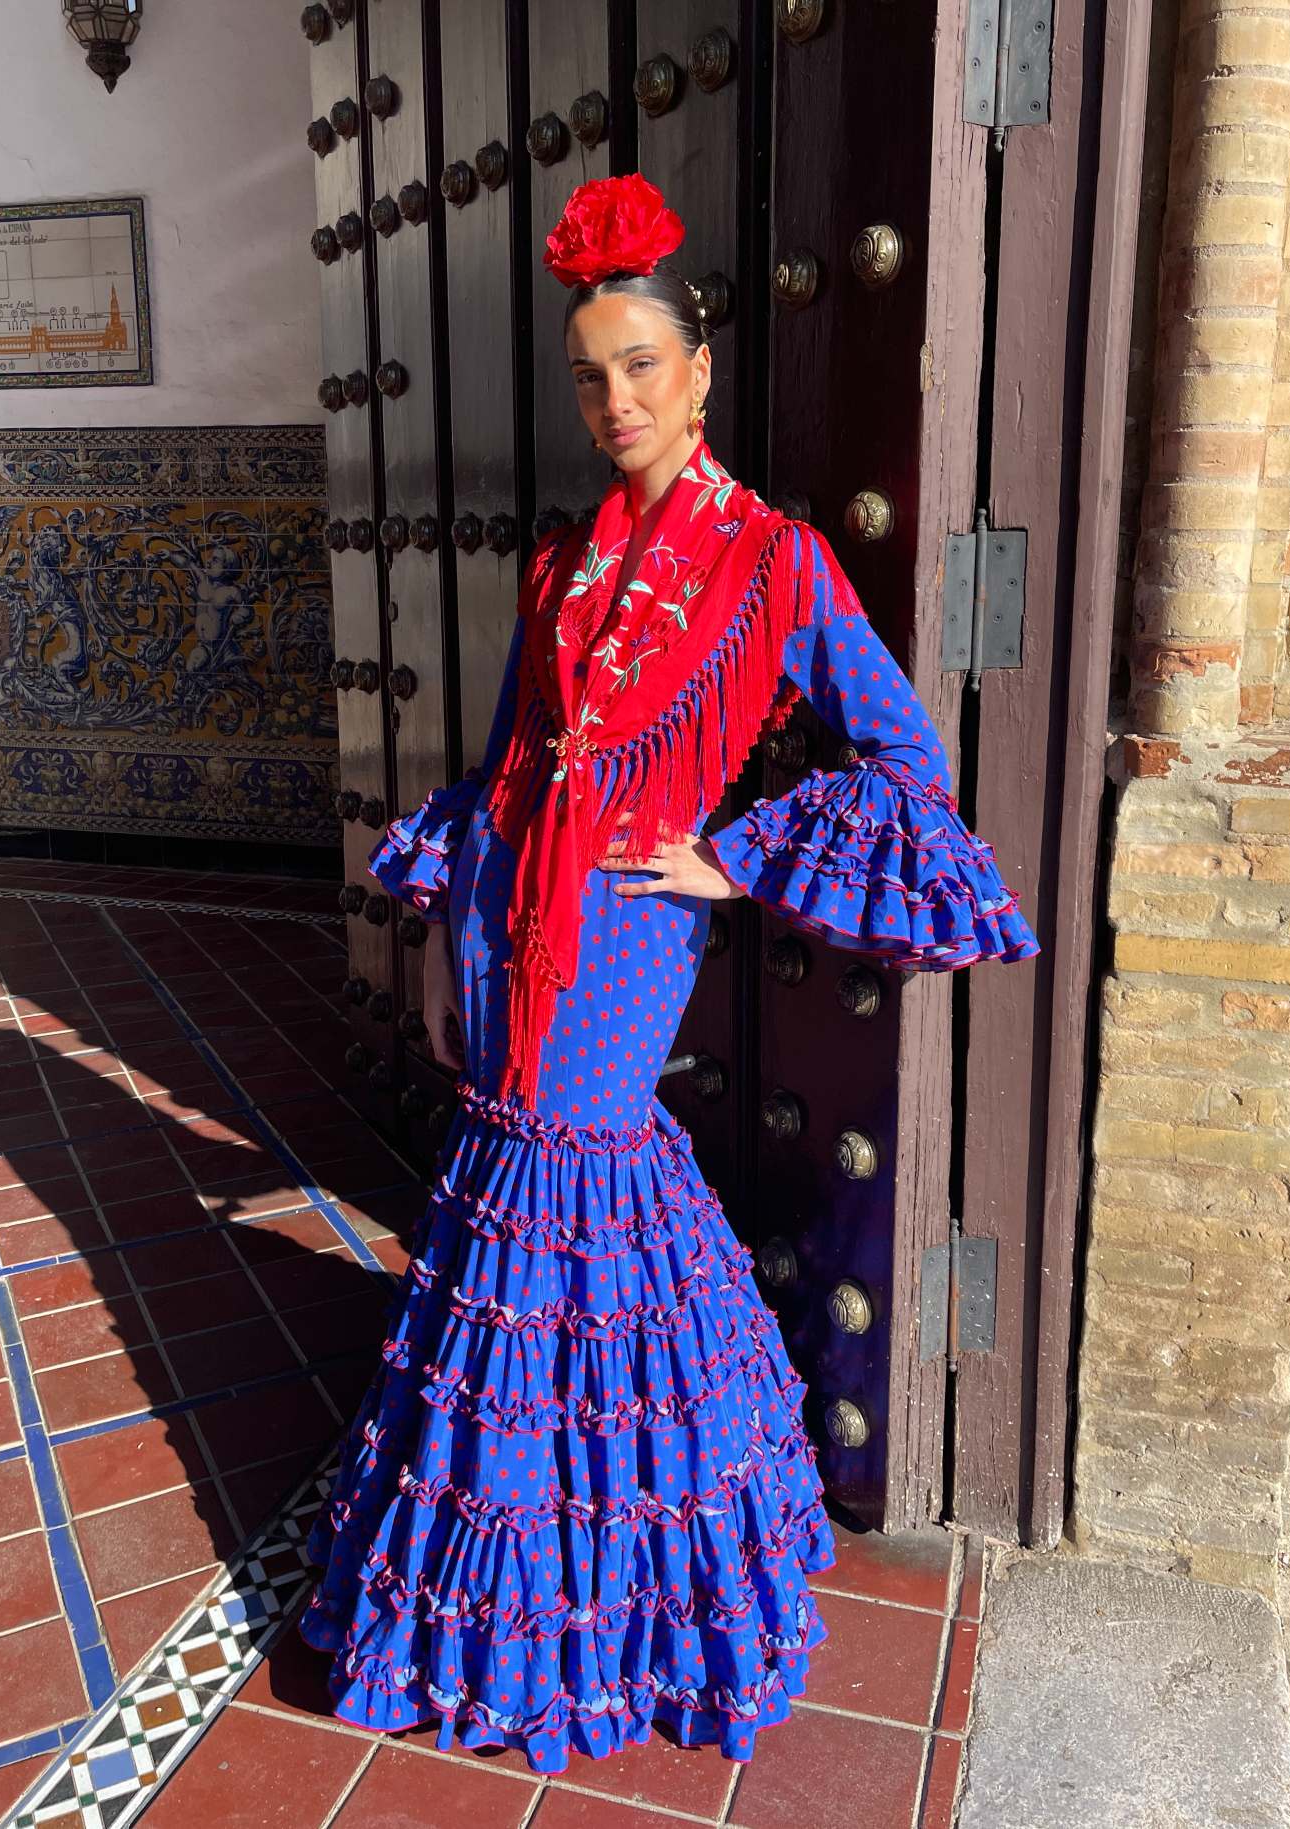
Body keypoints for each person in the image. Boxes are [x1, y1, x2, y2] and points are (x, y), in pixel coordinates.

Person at [297, 173, 1039, 1775]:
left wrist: (741, 857)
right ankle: (534, 1566)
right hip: (505, 928)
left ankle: (603, 1596)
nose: (614, 396)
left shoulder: (769, 563)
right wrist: (440, 931)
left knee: (579, 1213)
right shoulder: (566, 563)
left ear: (700, 369)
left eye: (642, 364)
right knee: (527, 1215)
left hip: (626, 944)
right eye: (589, 372)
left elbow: (906, 758)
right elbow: (505, 762)